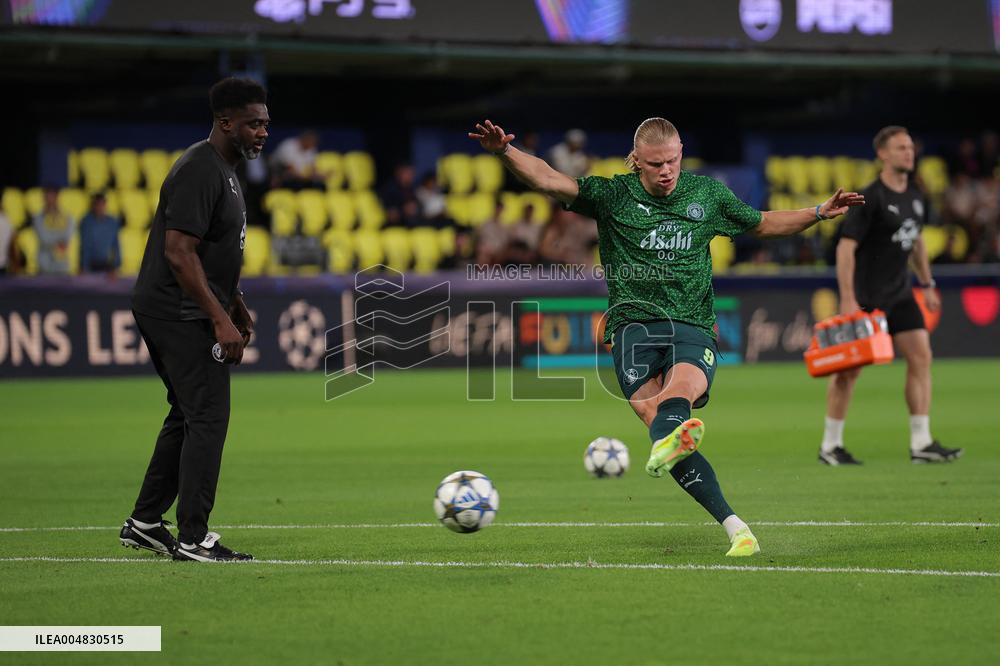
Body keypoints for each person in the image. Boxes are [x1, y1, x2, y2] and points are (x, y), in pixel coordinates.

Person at [470, 117, 863, 557]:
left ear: (681, 154)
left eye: (672, 161)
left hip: (691, 323)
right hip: (632, 328)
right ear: (637, 161)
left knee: (678, 398)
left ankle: (728, 517)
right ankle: (736, 527)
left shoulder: (706, 195)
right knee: (661, 426)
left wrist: (816, 212)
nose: (666, 171)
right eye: (656, 164)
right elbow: (547, 178)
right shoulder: (614, 196)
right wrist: (505, 151)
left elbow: (763, 223)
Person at [124, 77, 268, 562]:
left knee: (188, 412)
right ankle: (193, 537)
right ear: (225, 123)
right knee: (208, 414)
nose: (262, 133)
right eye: (253, 124)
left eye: (265, 124)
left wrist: (234, 301)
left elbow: (212, 250)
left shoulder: (225, 170)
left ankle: (146, 521)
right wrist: (219, 319)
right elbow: (179, 253)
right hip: (176, 310)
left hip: (182, 306)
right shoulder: (199, 169)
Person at [820, 126, 963, 466]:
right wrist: (847, 297)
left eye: (910, 147)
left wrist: (927, 284)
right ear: (882, 154)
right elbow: (845, 248)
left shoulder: (915, 195)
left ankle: (921, 442)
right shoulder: (869, 197)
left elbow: (916, 240)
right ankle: (830, 446)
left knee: (921, 357)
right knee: (849, 372)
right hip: (867, 296)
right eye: (900, 148)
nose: (909, 153)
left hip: (900, 294)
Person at [33, 186, 75, 275]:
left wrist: (53, 235)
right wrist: (60, 237)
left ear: (57, 197)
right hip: (45, 265)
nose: (50, 199)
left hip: (62, 266)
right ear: (44, 198)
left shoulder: (66, 216)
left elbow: (67, 237)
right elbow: (44, 239)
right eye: (48, 196)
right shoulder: (38, 217)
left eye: (52, 196)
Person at [79, 193, 121, 274]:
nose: (99, 207)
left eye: (102, 205)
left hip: (106, 265)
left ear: (105, 205)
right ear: (93, 206)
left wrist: (115, 266)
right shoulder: (86, 222)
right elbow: (85, 246)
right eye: (97, 205)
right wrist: (83, 266)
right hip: (90, 265)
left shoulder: (112, 223)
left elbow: (116, 246)